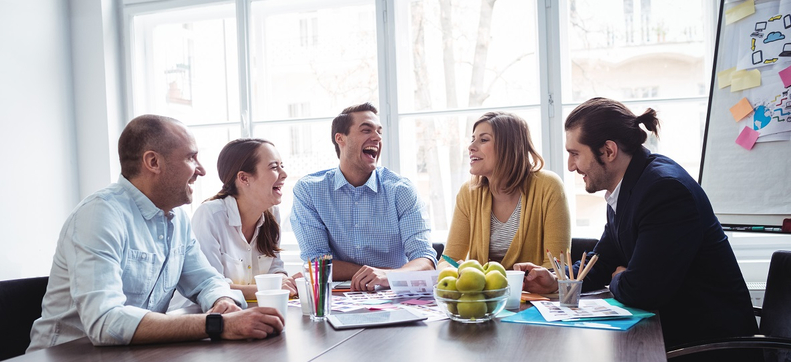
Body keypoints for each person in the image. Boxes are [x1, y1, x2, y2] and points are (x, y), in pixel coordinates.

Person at [516, 97, 761, 362]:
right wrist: (555, 280)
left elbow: (642, 291)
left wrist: (620, 278)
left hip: (707, 349)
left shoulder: (664, 190)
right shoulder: (628, 186)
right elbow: (602, 259)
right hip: (667, 336)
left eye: (575, 153)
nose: (571, 166)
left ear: (608, 151)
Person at [28, 115, 284, 351]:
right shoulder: (100, 215)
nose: (201, 170)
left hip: (132, 356)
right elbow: (105, 322)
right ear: (153, 162)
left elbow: (207, 280)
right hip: (68, 359)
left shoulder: (177, 220)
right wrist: (217, 324)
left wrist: (222, 300)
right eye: (191, 158)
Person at [291, 102, 437, 292]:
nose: (377, 137)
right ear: (340, 139)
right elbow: (317, 264)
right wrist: (375, 273)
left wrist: (388, 276)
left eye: (379, 132)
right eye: (366, 130)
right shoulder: (309, 191)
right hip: (337, 298)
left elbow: (425, 262)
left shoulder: (401, 190)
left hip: (393, 297)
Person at [439, 112, 570, 270]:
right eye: (473, 139)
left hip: (535, 293)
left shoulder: (549, 186)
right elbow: (448, 259)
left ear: (509, 146)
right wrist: (452, 270)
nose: (471, 147)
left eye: (484, 140)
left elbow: (555, 267)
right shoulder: (468, 193)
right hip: (483, 294)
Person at [191, 138, 298, 300]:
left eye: (281, 166)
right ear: (244, 178)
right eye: (274, 167)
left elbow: (275, 267)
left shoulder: (272, 213)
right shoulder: (210, 215)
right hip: (202, 315)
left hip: (248, 311)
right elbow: (212, 286)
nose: (284, 174)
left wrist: (284, 280)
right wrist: (272, 287)